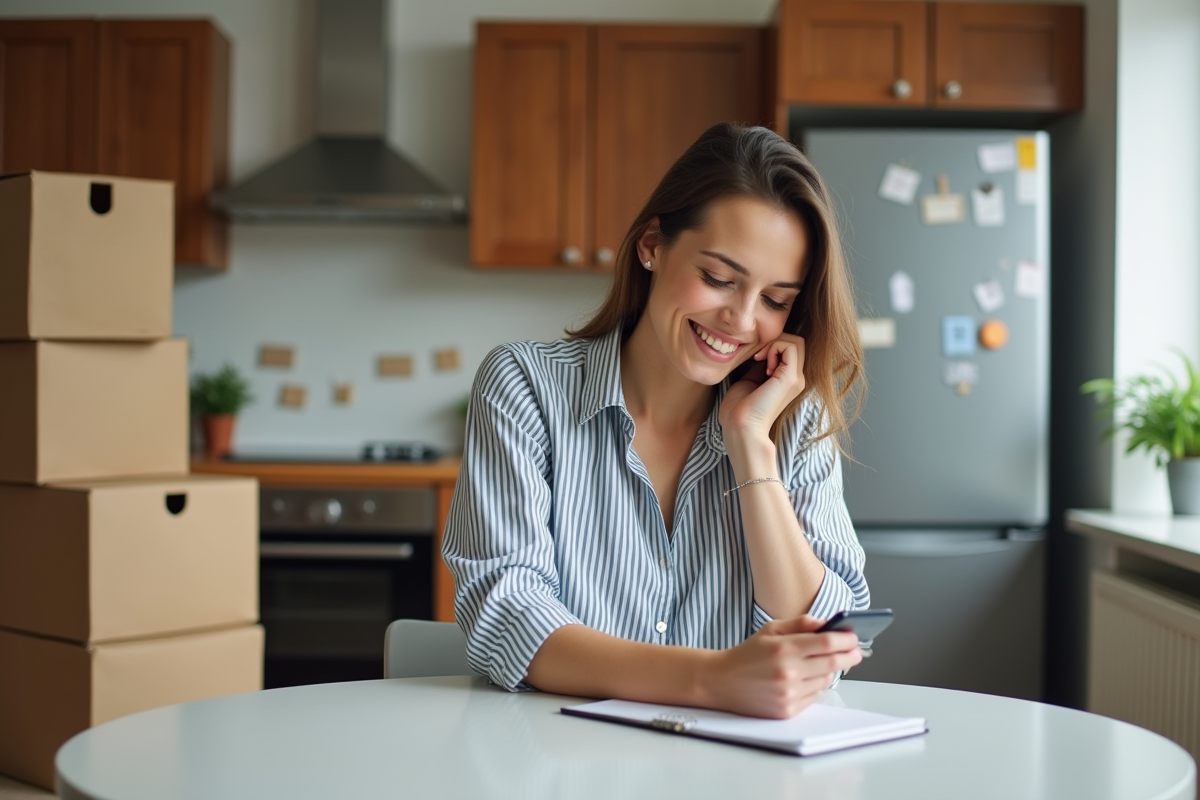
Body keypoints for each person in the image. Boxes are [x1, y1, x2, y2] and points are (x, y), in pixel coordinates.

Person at [443, 122, 869, 719]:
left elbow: (828, 634)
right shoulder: (525, 387)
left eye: (775, 300)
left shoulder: (791, 418)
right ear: (652, 244)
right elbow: (507, 615)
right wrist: (710, 679)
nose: (741, 320)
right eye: (718, 278)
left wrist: (750, 446)